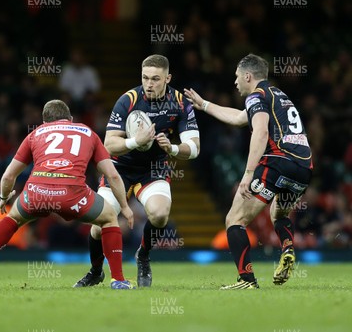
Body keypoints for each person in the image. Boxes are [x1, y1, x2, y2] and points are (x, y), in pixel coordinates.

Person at [0, 99, 135, 289]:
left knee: (13, 218)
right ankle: (117, 279)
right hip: (72, 193)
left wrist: (3, 198)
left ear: (44, 122)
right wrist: (125, 207)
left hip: (37, 191)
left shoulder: (35, 133)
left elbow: (9, 175)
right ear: (70, 119)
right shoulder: (87, 132)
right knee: (109, 218)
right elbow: (113, 176)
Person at [184, 54, 312, 289]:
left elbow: (261, 133)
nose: (235, 82)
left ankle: (246, 279)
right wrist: (204, 105)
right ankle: (288, 250)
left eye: (236, 77)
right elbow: (240, 118)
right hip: (303, 166)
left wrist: (248, 174)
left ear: (248, 76)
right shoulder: (277, 95)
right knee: (279, 214)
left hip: (277, 162)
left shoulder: (256, 96)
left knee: (234, 219)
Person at [74, 54, 200, 288]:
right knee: (100, 222)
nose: (149, 84)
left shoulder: (181, 103)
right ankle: (95, 271)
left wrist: (171, 148)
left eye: (155, 79)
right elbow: (109, 144)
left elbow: (194, 148)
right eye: (145, 78)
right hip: (119, 168)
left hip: (153, 169)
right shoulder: (128, 100)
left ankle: (143, 255)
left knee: (160, 215)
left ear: (167, 78)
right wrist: (136, 142)